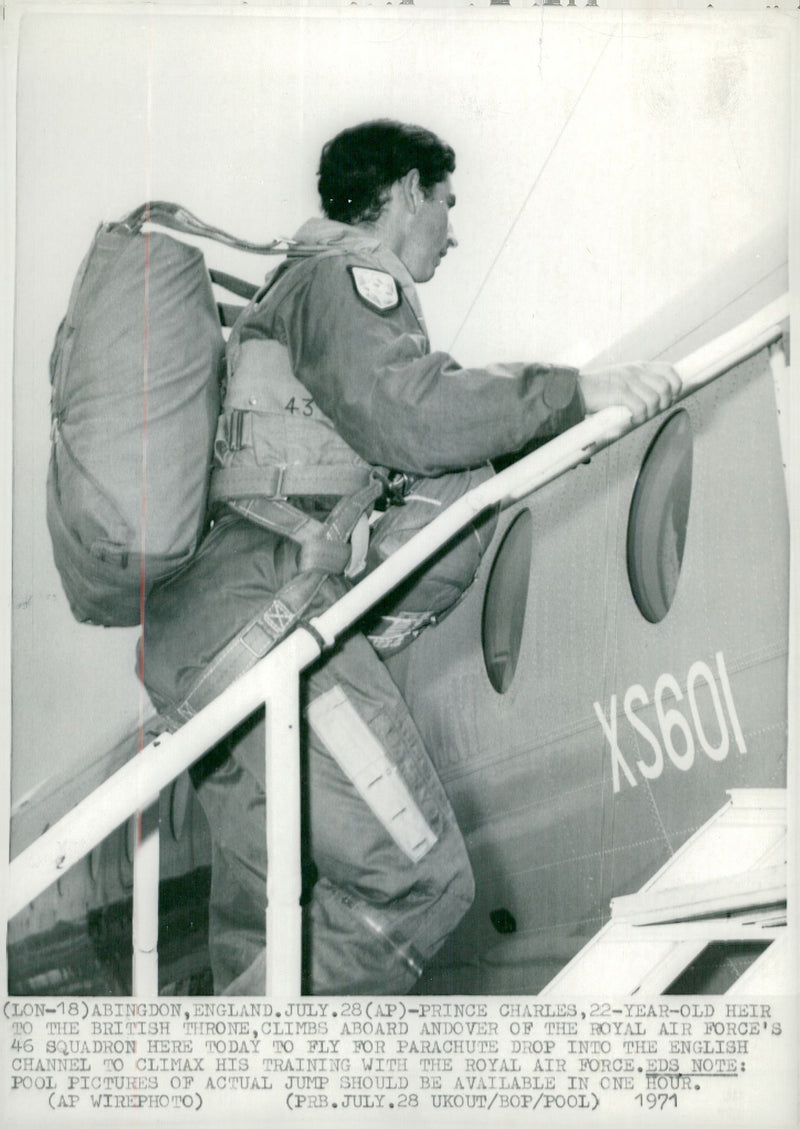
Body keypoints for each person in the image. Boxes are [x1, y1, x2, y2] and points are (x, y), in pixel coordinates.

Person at [141, 119, 681, 995]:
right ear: (400, 193)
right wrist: (573, 392)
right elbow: (412, 410)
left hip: (204, 638)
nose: (453, 229)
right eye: (445, 202)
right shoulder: (347, 280)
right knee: (420, 885)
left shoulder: (287, 294)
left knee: (272, 914)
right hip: (268, 624)